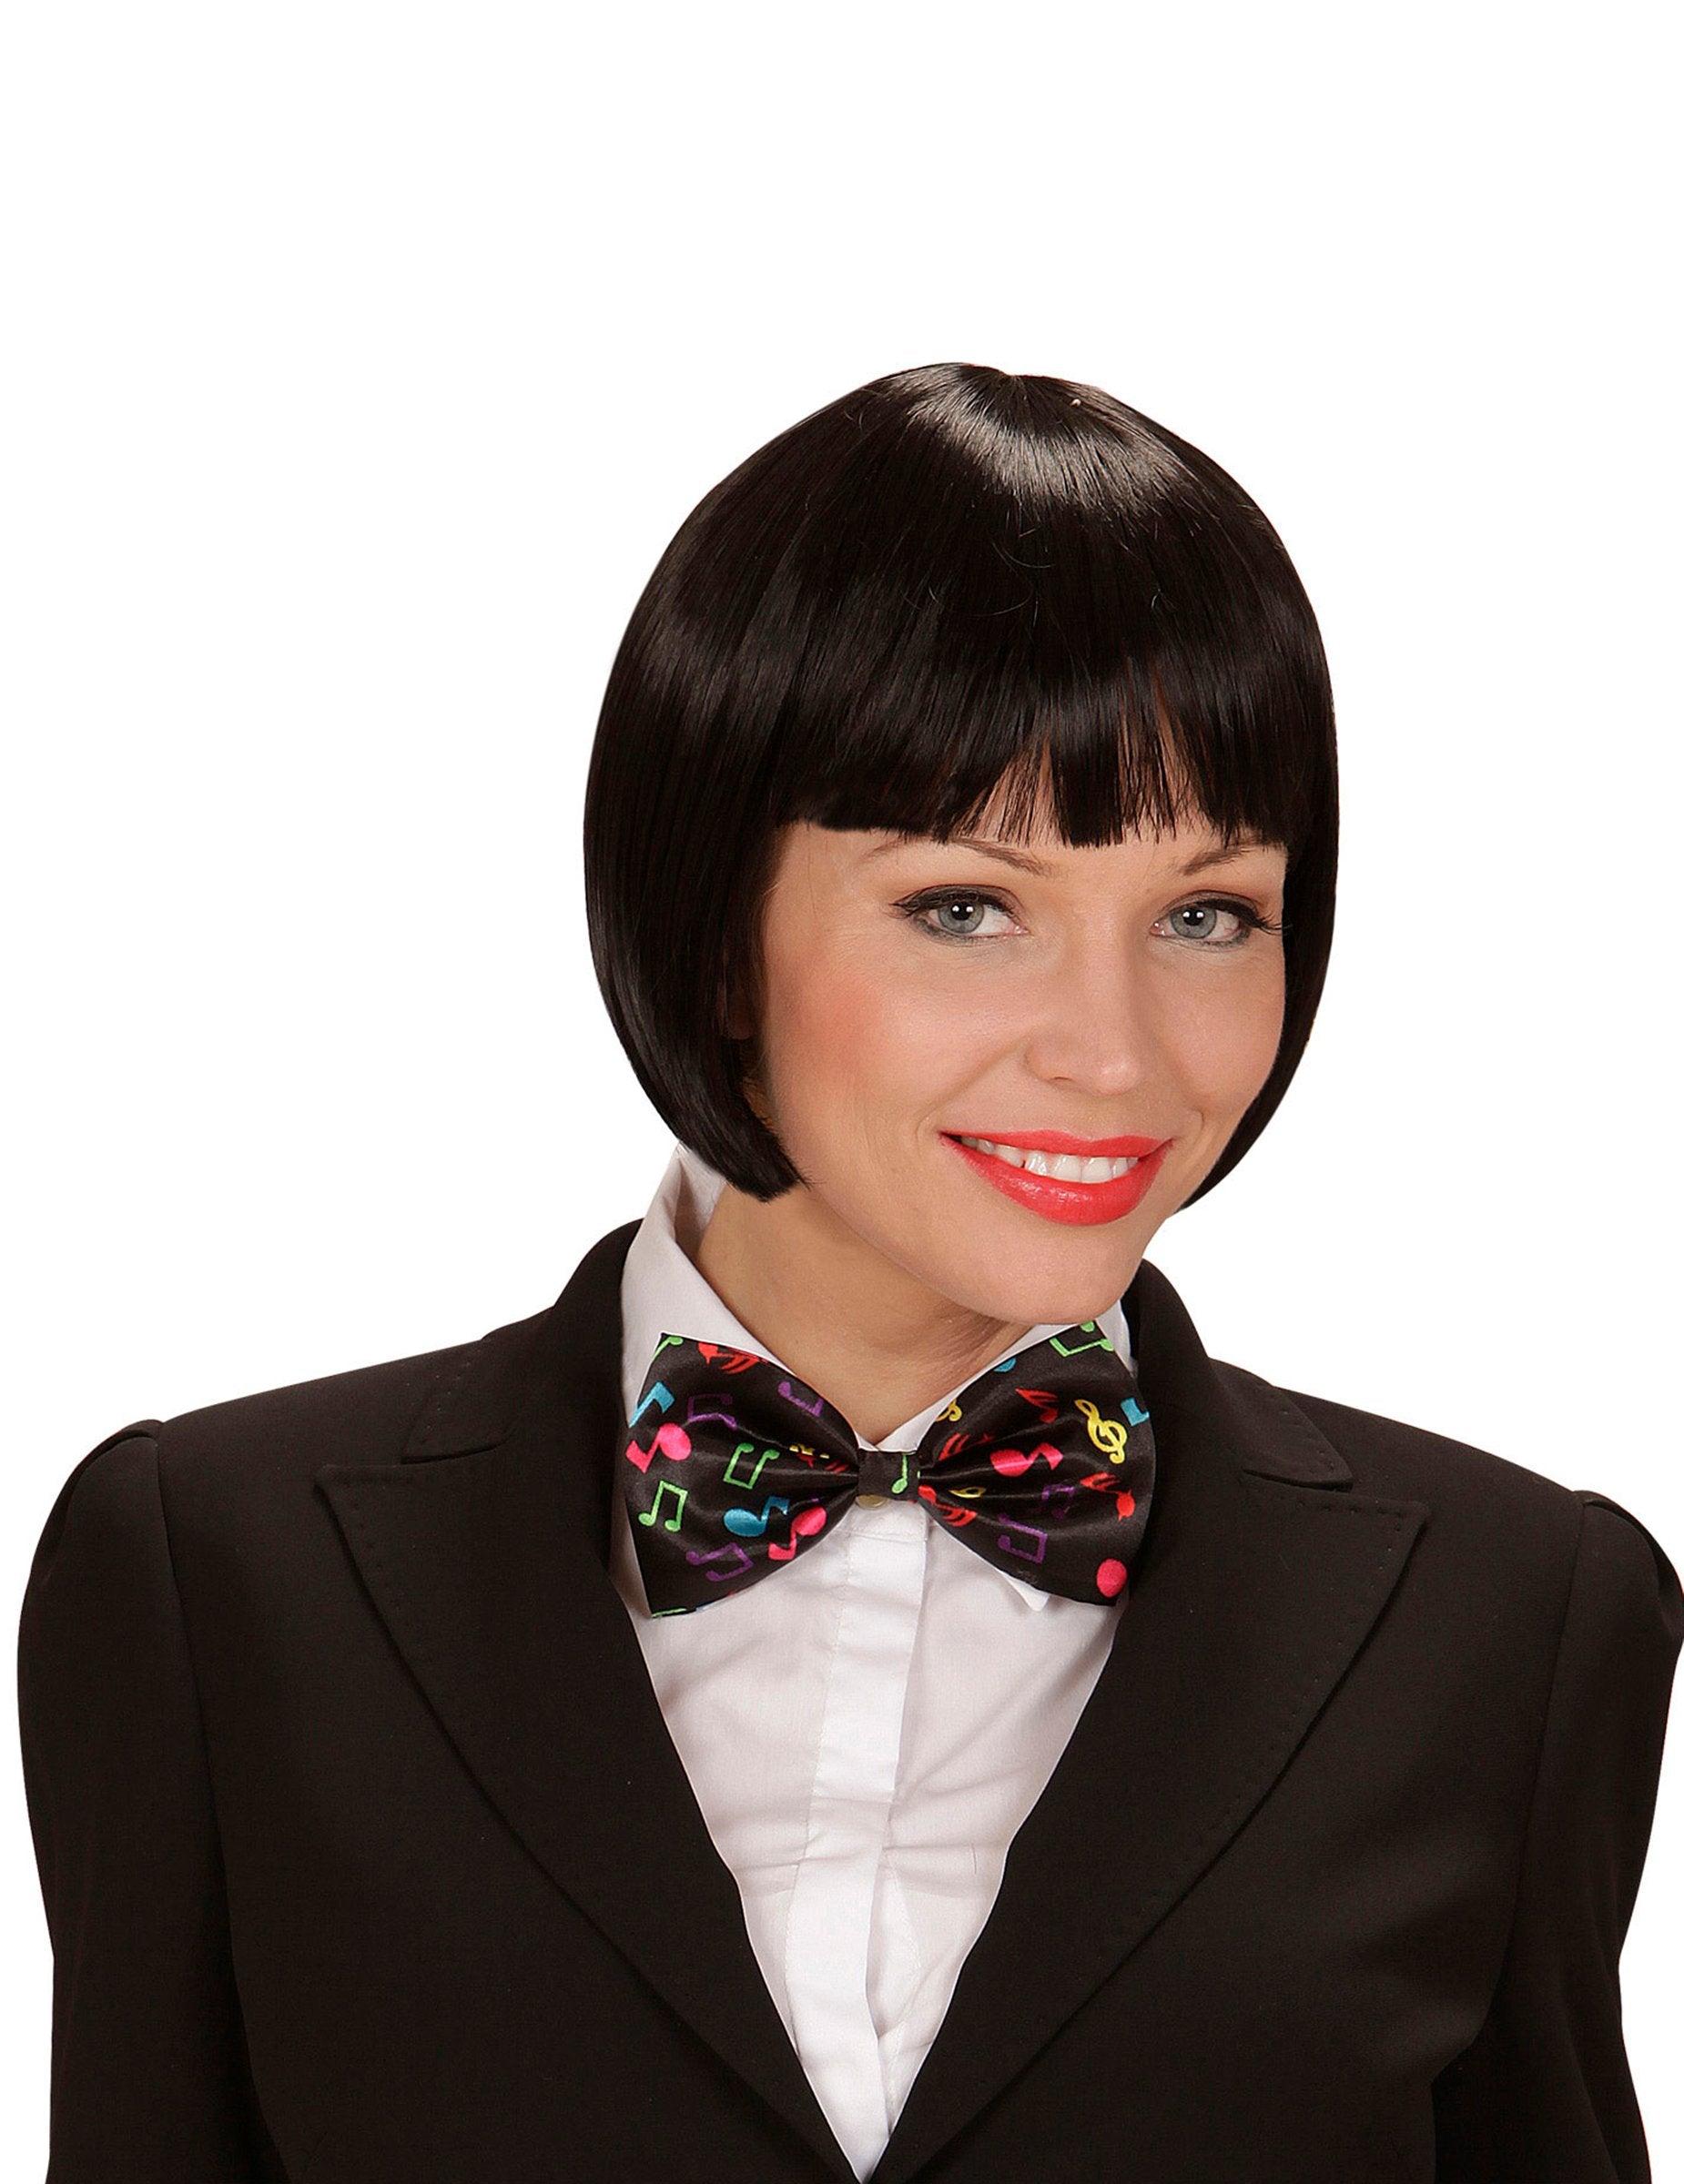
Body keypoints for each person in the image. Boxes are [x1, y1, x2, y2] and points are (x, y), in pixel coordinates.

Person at [16, 360, 1680, 2184]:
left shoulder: (1513, 1625)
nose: (1113, 1054)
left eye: (1206, 915)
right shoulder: (216, 1580)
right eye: (966, 907)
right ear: (715, 930)